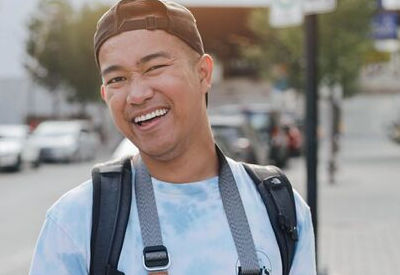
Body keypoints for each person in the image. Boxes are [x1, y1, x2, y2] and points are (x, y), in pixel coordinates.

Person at [29, 0, 316, 274]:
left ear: (203, 73)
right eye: (117, 79)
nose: (137, 94)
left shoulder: (279, 208)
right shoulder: (77, 220)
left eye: (154, 67)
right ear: (105, 95)